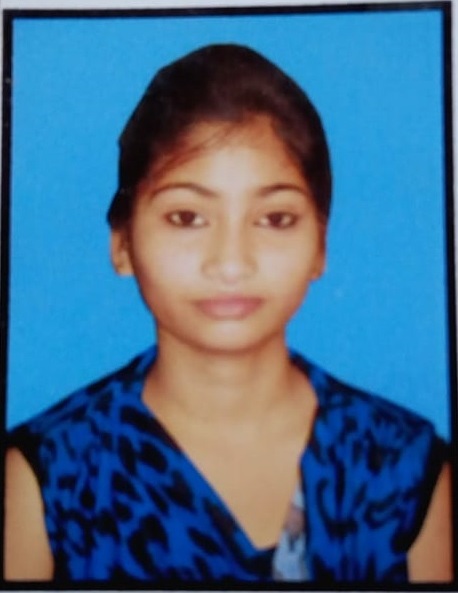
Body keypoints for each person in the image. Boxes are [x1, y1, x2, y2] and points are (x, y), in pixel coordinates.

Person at [4, 43, 452, 583]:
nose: (232, 262)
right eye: (187, 217)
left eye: (275, 219)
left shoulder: (402, 467)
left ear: (321, 245)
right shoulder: (50, 477)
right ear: (122, 243)